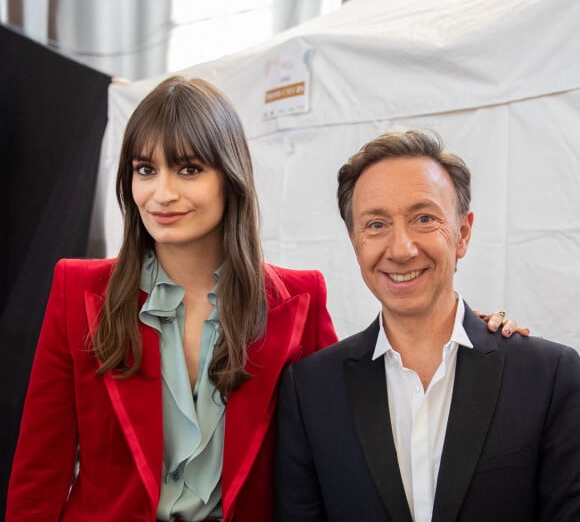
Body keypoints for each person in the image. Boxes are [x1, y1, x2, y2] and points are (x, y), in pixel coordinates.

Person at [6, 80, 519, 522]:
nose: (161, 193)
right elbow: (40, 472)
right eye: (145, 169)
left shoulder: (298, 299)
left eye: (187, 169)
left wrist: (478, 332)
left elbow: (364, 407)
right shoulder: (79, 290)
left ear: (229, 178)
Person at [275, 130, 580, 521]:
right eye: (376, 225)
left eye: (424, 219)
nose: (401, 249)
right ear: (354, 242)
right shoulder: (311, 391)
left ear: (463, 234)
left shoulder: (547, 376)